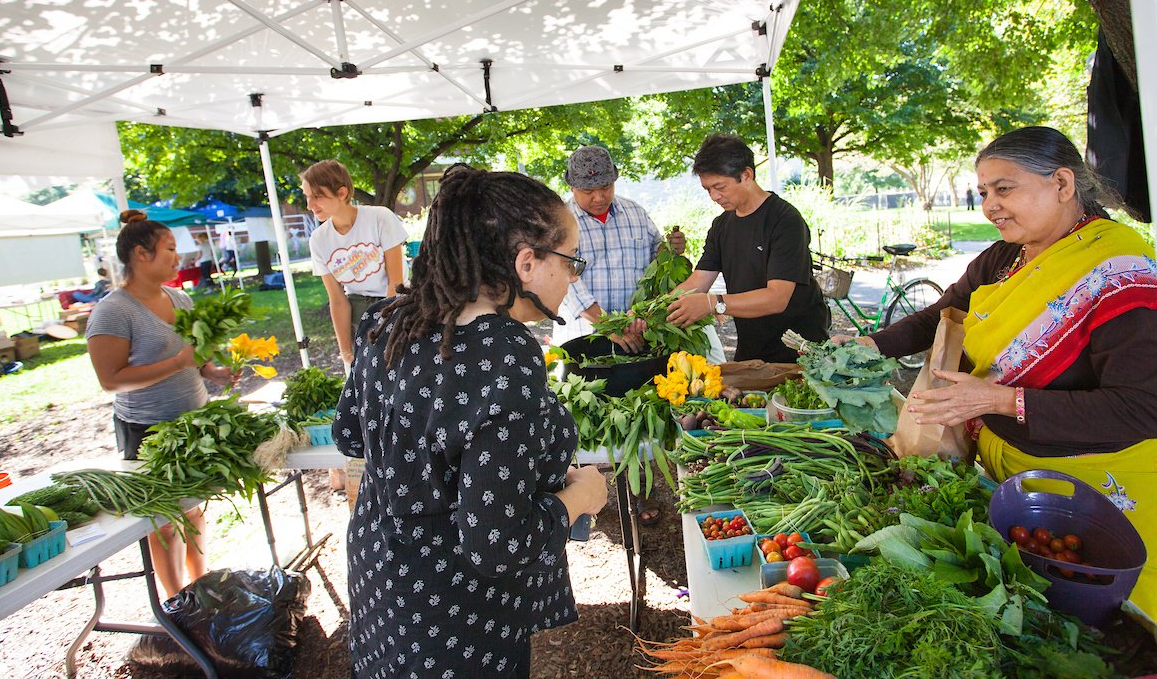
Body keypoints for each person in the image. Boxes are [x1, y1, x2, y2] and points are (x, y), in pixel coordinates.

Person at [855, 126, 1157, 632]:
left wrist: (1002, 401)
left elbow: (1143, 409)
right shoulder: (1005, 256)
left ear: (1064, 183)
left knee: (1098, 635)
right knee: (1026, 621)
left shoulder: (1120, 269)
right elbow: (942, 313)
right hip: (1012, 474)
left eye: (1005, 188)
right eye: (983, 192)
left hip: (1099, 491)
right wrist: (868, 346)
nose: (990, 206)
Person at [332, 164, 608, 679]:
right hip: (452, 610)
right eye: (571, 262)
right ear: (526, 263)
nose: (573, 277)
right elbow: (497, 544)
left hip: (381, 573)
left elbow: (349, 432)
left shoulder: (386, 319)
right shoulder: (506, 353)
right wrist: (581, 498)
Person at [85, 210, 236, 597]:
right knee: (164, 522)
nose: (177, 255)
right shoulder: (113, 311)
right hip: (149, 431)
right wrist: (177, 364)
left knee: (194, 509)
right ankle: (175, 603)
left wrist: (214, 372)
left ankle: (199, 591)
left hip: (193, 426)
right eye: (169, 249)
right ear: (141, 254)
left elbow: (194, 356)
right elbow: (110, 379)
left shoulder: (180, 298)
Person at [553, 145, 688, 525]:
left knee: (639, 414)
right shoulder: (561, 223)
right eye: (587, 190)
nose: (597, 197)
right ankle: (585, 496)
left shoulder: (635, 213)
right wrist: (607, 326)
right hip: (588, 335)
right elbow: (565, 278)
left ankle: (642, 493)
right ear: (572, 187)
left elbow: (656, 258)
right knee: (595, 419)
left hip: (640, 330)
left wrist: (672, 250)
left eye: (605, 187)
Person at [666, 133, 829, 361]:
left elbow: (777, 298)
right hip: (752, 347)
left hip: (798, 350)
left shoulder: (785, 220)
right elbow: (698, 281)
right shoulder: (721, 225)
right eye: (707, 189)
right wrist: (655, 309)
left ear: (746, 175)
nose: (714, 196)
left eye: (719, 187)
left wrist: (713, 304)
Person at [302, 159, 408, 370]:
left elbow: (395, 284)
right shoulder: (319, 239)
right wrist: (346, 350)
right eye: (307, 196)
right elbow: (338, 300)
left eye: (317, 196)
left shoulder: (379, 218)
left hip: (396, 304)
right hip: (358, 309)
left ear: (341, 193)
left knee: (401, 371)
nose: (310, 205)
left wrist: (385, 332)